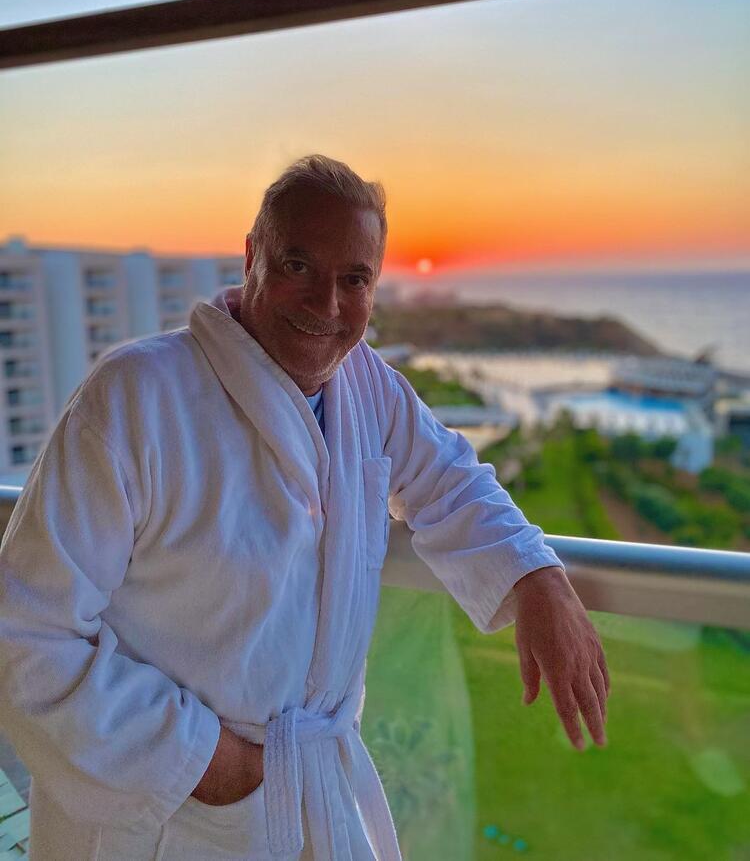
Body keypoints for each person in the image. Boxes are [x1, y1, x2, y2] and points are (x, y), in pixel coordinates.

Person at [0, 155, 610, 861]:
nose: (327, 304)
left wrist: (537, 576)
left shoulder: (368, 389)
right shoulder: (138, 396)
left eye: (355, 279)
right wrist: (205, 763)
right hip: (165, 814)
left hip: (308, 790)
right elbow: (24, 632)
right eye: (298, 266)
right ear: (252, 258)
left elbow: (450, 479)